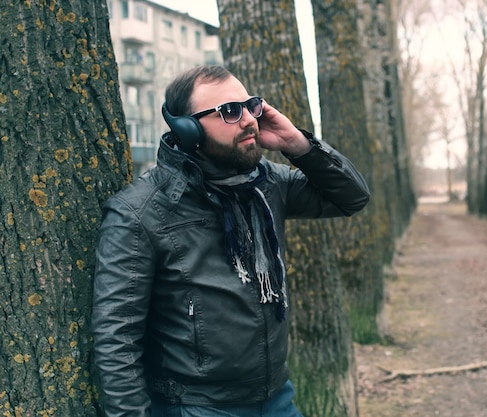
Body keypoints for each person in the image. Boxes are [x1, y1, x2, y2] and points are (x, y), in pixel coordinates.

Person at [91, 65, 370, 417]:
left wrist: (296, 145)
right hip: (197, 407)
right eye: (229, 111)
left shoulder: (266, 183)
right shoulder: (140, 212)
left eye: (250, 105)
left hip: (276, 397)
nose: (249, 120)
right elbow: (117, 339)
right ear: (187, 129)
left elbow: (351, 198)